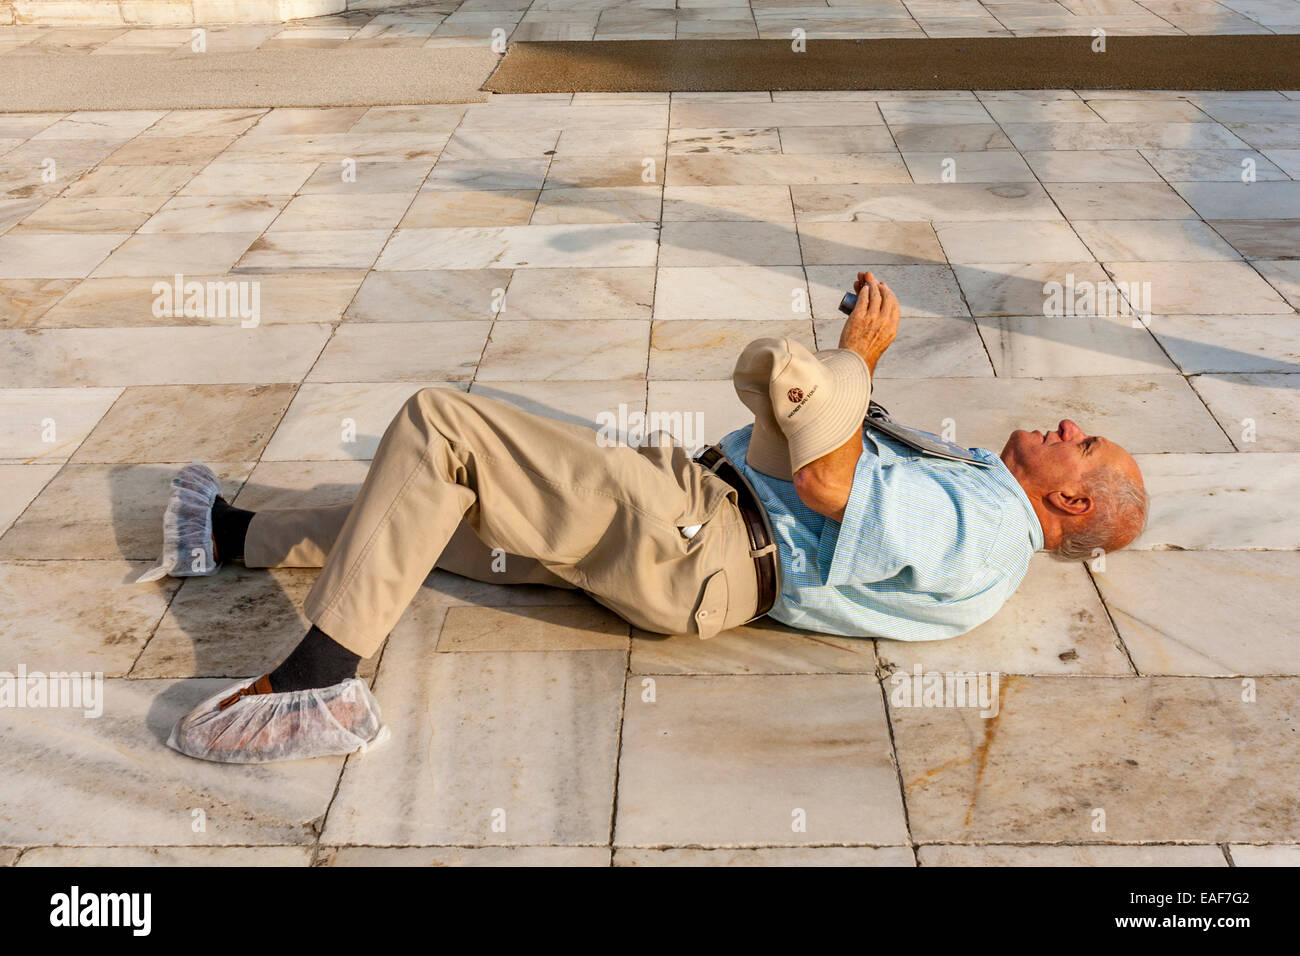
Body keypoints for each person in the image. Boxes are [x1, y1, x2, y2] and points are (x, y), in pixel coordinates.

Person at [144, 271, 1147, 764]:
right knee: (444, 503)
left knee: (441, 424)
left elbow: (835, 490)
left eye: (1085, 441)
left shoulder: (987, 526)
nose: (1069, 423)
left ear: (1069, 501)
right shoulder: (986, 491)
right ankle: (230, 533)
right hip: (692, 539)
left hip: (697, 539)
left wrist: (855, 364)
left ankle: (321, 682)